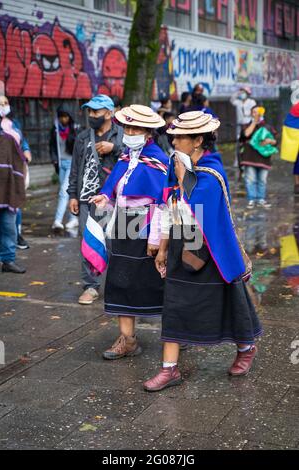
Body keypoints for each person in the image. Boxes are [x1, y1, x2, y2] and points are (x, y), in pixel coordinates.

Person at [143, 111, 262, 392]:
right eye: (173, 137)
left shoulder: (212, 171)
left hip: (212, 252)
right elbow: (170, 206)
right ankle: (169, 369)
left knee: (227, 302)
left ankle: (246, 348)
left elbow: (196, 205)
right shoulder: (177, 164)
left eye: (180, 138)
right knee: (172, 305)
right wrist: (162, 248)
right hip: (180, 246)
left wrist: (183, 176)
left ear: (197, 140)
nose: (173, 142)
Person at [90, 105, 168, 360]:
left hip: (147, 227)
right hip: (123, 225)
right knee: (121, 279)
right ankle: (128, 340)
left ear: (148, 133)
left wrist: (155, 239)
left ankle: (178, 333)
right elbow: (119, 192)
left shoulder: (158, 161)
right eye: (127, 127)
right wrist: (105, 199)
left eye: (136, 128)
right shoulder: (126, 158)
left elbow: (163, 203)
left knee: (160, 282)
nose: (129, 132)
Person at [68, 95, 124, 305]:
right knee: (88, 242)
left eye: (96, 112)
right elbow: (74, 170)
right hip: (86, 199)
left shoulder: (121, 136)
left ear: (109, 113)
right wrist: (72, 194)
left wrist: (114, 149)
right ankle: (90, 286)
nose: (92, 115)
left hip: (112, 199)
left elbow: (132, 159)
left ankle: (117, 286)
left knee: (114, 243)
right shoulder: (82, 137)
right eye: (90, 111)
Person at [0, 95, 32, 250]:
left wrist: (26, 150)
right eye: (0, 104)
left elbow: (23, 141)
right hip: (1, 173)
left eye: (5, 103)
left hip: (16, 170)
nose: (4, 106)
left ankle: (16, 235)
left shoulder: (14, 123)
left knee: (15, 203)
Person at [0, 115, 26, 273]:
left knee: (9, 228)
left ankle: (8, 260)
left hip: (7, 193)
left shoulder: (9, 140)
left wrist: (18, 190)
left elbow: (19, 165)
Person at [239, 106, 278, 209]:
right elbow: (245, 135)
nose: (256, 114)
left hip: (264, 159)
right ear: (251, 114)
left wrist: (270, 141)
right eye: (254, 112)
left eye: (258, 112)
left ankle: (261, 199)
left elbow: (275, 142)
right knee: (250, 180)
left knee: (262, 180)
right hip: (249, 157)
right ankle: (251, 199)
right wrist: (254, 123)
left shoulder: (268, 127)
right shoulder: (247, 125)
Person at [50, 104, 80, 230]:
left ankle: (57, 220)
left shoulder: (75, 129)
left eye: (66, 116)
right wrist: (55, 161)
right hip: (61, 164)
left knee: (64, 191)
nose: (64, 119)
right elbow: (51, 147)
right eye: (61, 117)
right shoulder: (55, 130)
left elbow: (78, 148)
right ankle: (73, 218)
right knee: (66, 193)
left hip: (72, 164)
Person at [230, 87, 257, 167]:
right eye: (242, 92)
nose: (243, 93)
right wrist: (238, 92)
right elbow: (231, 100)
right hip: (240, 125)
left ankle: (250, 160)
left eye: (244, 92)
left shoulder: (252, 102)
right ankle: (237, 160)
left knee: (249, 142)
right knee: (239, 142)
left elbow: (255, 112)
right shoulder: (238, 102)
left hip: (249, 125)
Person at [280, 101, 299, 195]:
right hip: (296, 136)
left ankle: (297, 185)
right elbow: (291, 122)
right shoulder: (297, 107)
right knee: (298, 162)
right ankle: (297, 184)